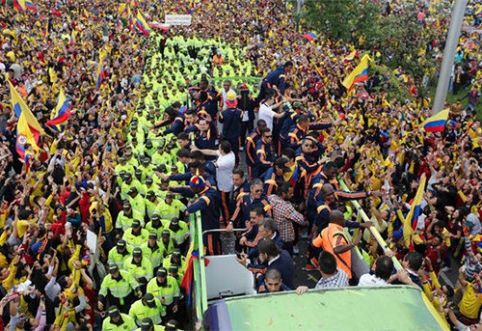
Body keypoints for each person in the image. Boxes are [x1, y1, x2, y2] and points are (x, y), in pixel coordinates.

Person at [169, 175, 221, 255]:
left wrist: (193, 202)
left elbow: (191, 209)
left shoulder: (208, 197)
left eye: (192, 187)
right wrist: (169, 188)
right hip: (205, 225)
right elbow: (185, 190)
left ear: (198, 188)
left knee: (212, 249)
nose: (191, 189)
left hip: (210, 227)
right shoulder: (204, 189)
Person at [312, 210, 361, 284]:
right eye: (342, 218)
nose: (345, 220)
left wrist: (315, 233)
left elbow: (314, 244)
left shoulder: (325, 231)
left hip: (329, 270)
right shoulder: (338, 232)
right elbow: (336, 249)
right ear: (336, 220)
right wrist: (353, 244)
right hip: (342, 273)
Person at [193, 141, 235, 223]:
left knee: (224, 204)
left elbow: (211, 166)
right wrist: (199, 150)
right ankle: (225, 216)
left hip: (224, 185)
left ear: (222, 150)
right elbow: (211, 152)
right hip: (221, 182)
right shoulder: (226, 153)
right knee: (222, 203)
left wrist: (201, 162)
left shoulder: (227, 160)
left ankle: (227, 222)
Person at [268, 183, 306, 255]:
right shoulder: (286, 207)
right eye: (290, 193)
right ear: (283, 193)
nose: (292, 195)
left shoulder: (271, 198)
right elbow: (301, 220)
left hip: (275, 235)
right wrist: (298, 210)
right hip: (286, 239)